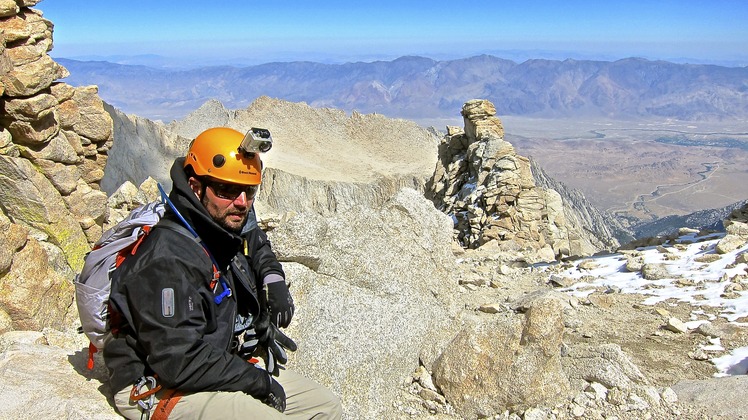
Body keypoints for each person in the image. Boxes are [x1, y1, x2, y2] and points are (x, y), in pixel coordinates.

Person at [104, 127, 342, 419]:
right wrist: (258, 381)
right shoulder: (168, 258)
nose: (241, 202)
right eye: (227, 190)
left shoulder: (215, 226)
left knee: (324, 406)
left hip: (213, 363)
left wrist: (271, 280)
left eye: (249, 191)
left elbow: (254, 240)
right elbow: (178, 359)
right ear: (195, 187)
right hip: (160, 383)